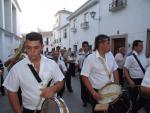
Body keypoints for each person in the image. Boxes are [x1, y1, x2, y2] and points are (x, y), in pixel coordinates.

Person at [3, 32, 64, 113]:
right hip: (29, 110)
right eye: (29, 48)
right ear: (25, 47)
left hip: (49, 108)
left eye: (36, 47)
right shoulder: (17, 68)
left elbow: (61, 81)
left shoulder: (51, 64)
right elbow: (11, 91)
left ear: (42, 47)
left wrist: (54, 88)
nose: (32, 51)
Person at [81, 34, 119, 113]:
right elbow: (84, 76)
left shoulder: (110, 55)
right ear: (100, 44)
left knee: (112, 110)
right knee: (99, 111)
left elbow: (115, 70)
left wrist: (117, 85)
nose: (110, 44)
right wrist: (93, 93)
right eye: (108, 43)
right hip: (98, 93)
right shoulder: (90, 58)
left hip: (111, 90)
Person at [124, 40, 148, 113]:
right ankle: (133, 111)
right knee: (134, 99)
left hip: (144, 80)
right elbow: (125, 70)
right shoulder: (130, 57)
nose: (142, 47)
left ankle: (133, 110)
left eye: (142, 45)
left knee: (144, 98)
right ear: (135, 47)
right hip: (135, 80)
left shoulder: (143, 55)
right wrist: (130, 81)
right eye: (140, 45)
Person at [78, 41, 90, 107]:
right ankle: (84, 101)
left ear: (88, 47)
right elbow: (77, 63)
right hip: (82, 73)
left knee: (89, 86)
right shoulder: (80, 55)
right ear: (82, 47)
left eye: (86, 46)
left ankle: (88, 99)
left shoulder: (91, 55)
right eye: (84, 46)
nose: (85, 48)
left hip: (90, 74)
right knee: (83, 88)